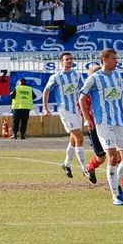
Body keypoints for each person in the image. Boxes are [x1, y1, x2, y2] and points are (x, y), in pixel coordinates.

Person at [80, 48, 123, 206]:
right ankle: (116, 195)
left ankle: (115, 181)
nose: (116, 61)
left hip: (121, 122)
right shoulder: (94, 78)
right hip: (104, 123)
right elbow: (81, 98)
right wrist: (87, 119)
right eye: (114, 59)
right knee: (112, 156)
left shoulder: (117, 76)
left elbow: (120, 98)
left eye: (116, 58)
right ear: (105, 59)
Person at [42, 52, 94, 182]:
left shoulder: (77, 75)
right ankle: (85, 169)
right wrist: (45, 108)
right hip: (65, 110)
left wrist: (91, 104)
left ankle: (66, 164)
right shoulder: (56, 77)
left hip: (76, 109)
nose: (69, 61)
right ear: (62, 62)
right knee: (79, 137)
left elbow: (84, 89)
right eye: (67, 59)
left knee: (73, 139)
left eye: (71, 59)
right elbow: (46, 91)